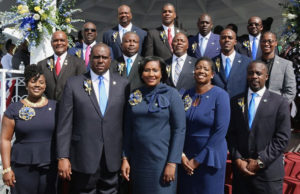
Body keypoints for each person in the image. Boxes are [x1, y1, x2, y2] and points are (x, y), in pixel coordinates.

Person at [56, 43, 129, 194]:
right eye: (96, 57)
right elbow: (65, 123)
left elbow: (127, 124)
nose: (100, 60)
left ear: (110, 60)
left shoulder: (123, 85)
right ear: (89, 58)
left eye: (104, 57)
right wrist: (63, 156)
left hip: (112, 157)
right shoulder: (73, 84)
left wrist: (125, 156)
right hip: (83, 156)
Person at [121, 56, 186, 194]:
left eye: (155, 70)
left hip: (162, 162)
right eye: (147, 70)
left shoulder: (172, 94)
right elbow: (128, 129)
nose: (151, 74)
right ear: (141, 73)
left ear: (162, 73)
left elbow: (179, 130)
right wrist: (125, 158)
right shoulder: (135, 94)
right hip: (138, 162)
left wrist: (172, 163)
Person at [227, 61, 291, 194]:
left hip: (268, 176)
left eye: (258, 73)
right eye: (250, 73)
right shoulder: (235, 101)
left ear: (266, 76)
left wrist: (260, 162)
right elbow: (231, 134)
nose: (254, 76)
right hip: (242, 174)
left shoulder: (280, 102)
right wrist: (238, 160)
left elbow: (282, 139)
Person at [0, 65, 57, 194]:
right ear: (26, 85)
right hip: (22, 168)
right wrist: (6, 169)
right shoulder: (14, 109)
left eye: (41, 82)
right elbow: (5, 139)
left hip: (50, 167)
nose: (37, 85)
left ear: (45, 85)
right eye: (33, 81)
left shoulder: (55, 107)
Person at [178, 57, 230, 194]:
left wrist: (198, 160)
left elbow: (220, 132)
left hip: (210, 156)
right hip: (186, 157)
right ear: (194, 72)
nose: (201, 71)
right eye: (198, 68)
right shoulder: (185, 94)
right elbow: (178, 126)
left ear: (212, 74)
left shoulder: (221, 95)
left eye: (206, 69)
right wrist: (182, 156)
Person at [37, 31, 86, 101]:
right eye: (55, 40)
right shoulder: (42, 64)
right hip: (47, 108)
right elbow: (39, 87)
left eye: (62, 40)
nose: (59, 43)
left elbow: (81, 88)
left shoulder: (78, 63)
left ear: (67, 43)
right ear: (51, 43)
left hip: (70, 109)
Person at [212, 29, 251, 98]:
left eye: (230, 38)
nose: (227, 40)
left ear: (235, 42)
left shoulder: (247, 62)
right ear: (219, 41)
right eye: (223, 38)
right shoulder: (211, 62)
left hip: (239, 105)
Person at [259, 31, 296, 103]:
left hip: (279, 107)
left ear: (276, 43)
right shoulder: (254, 64)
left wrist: (278, 107)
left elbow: (290, 91)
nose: (266, 44)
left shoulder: (286, 64)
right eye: (264, 41)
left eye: (270, 41)